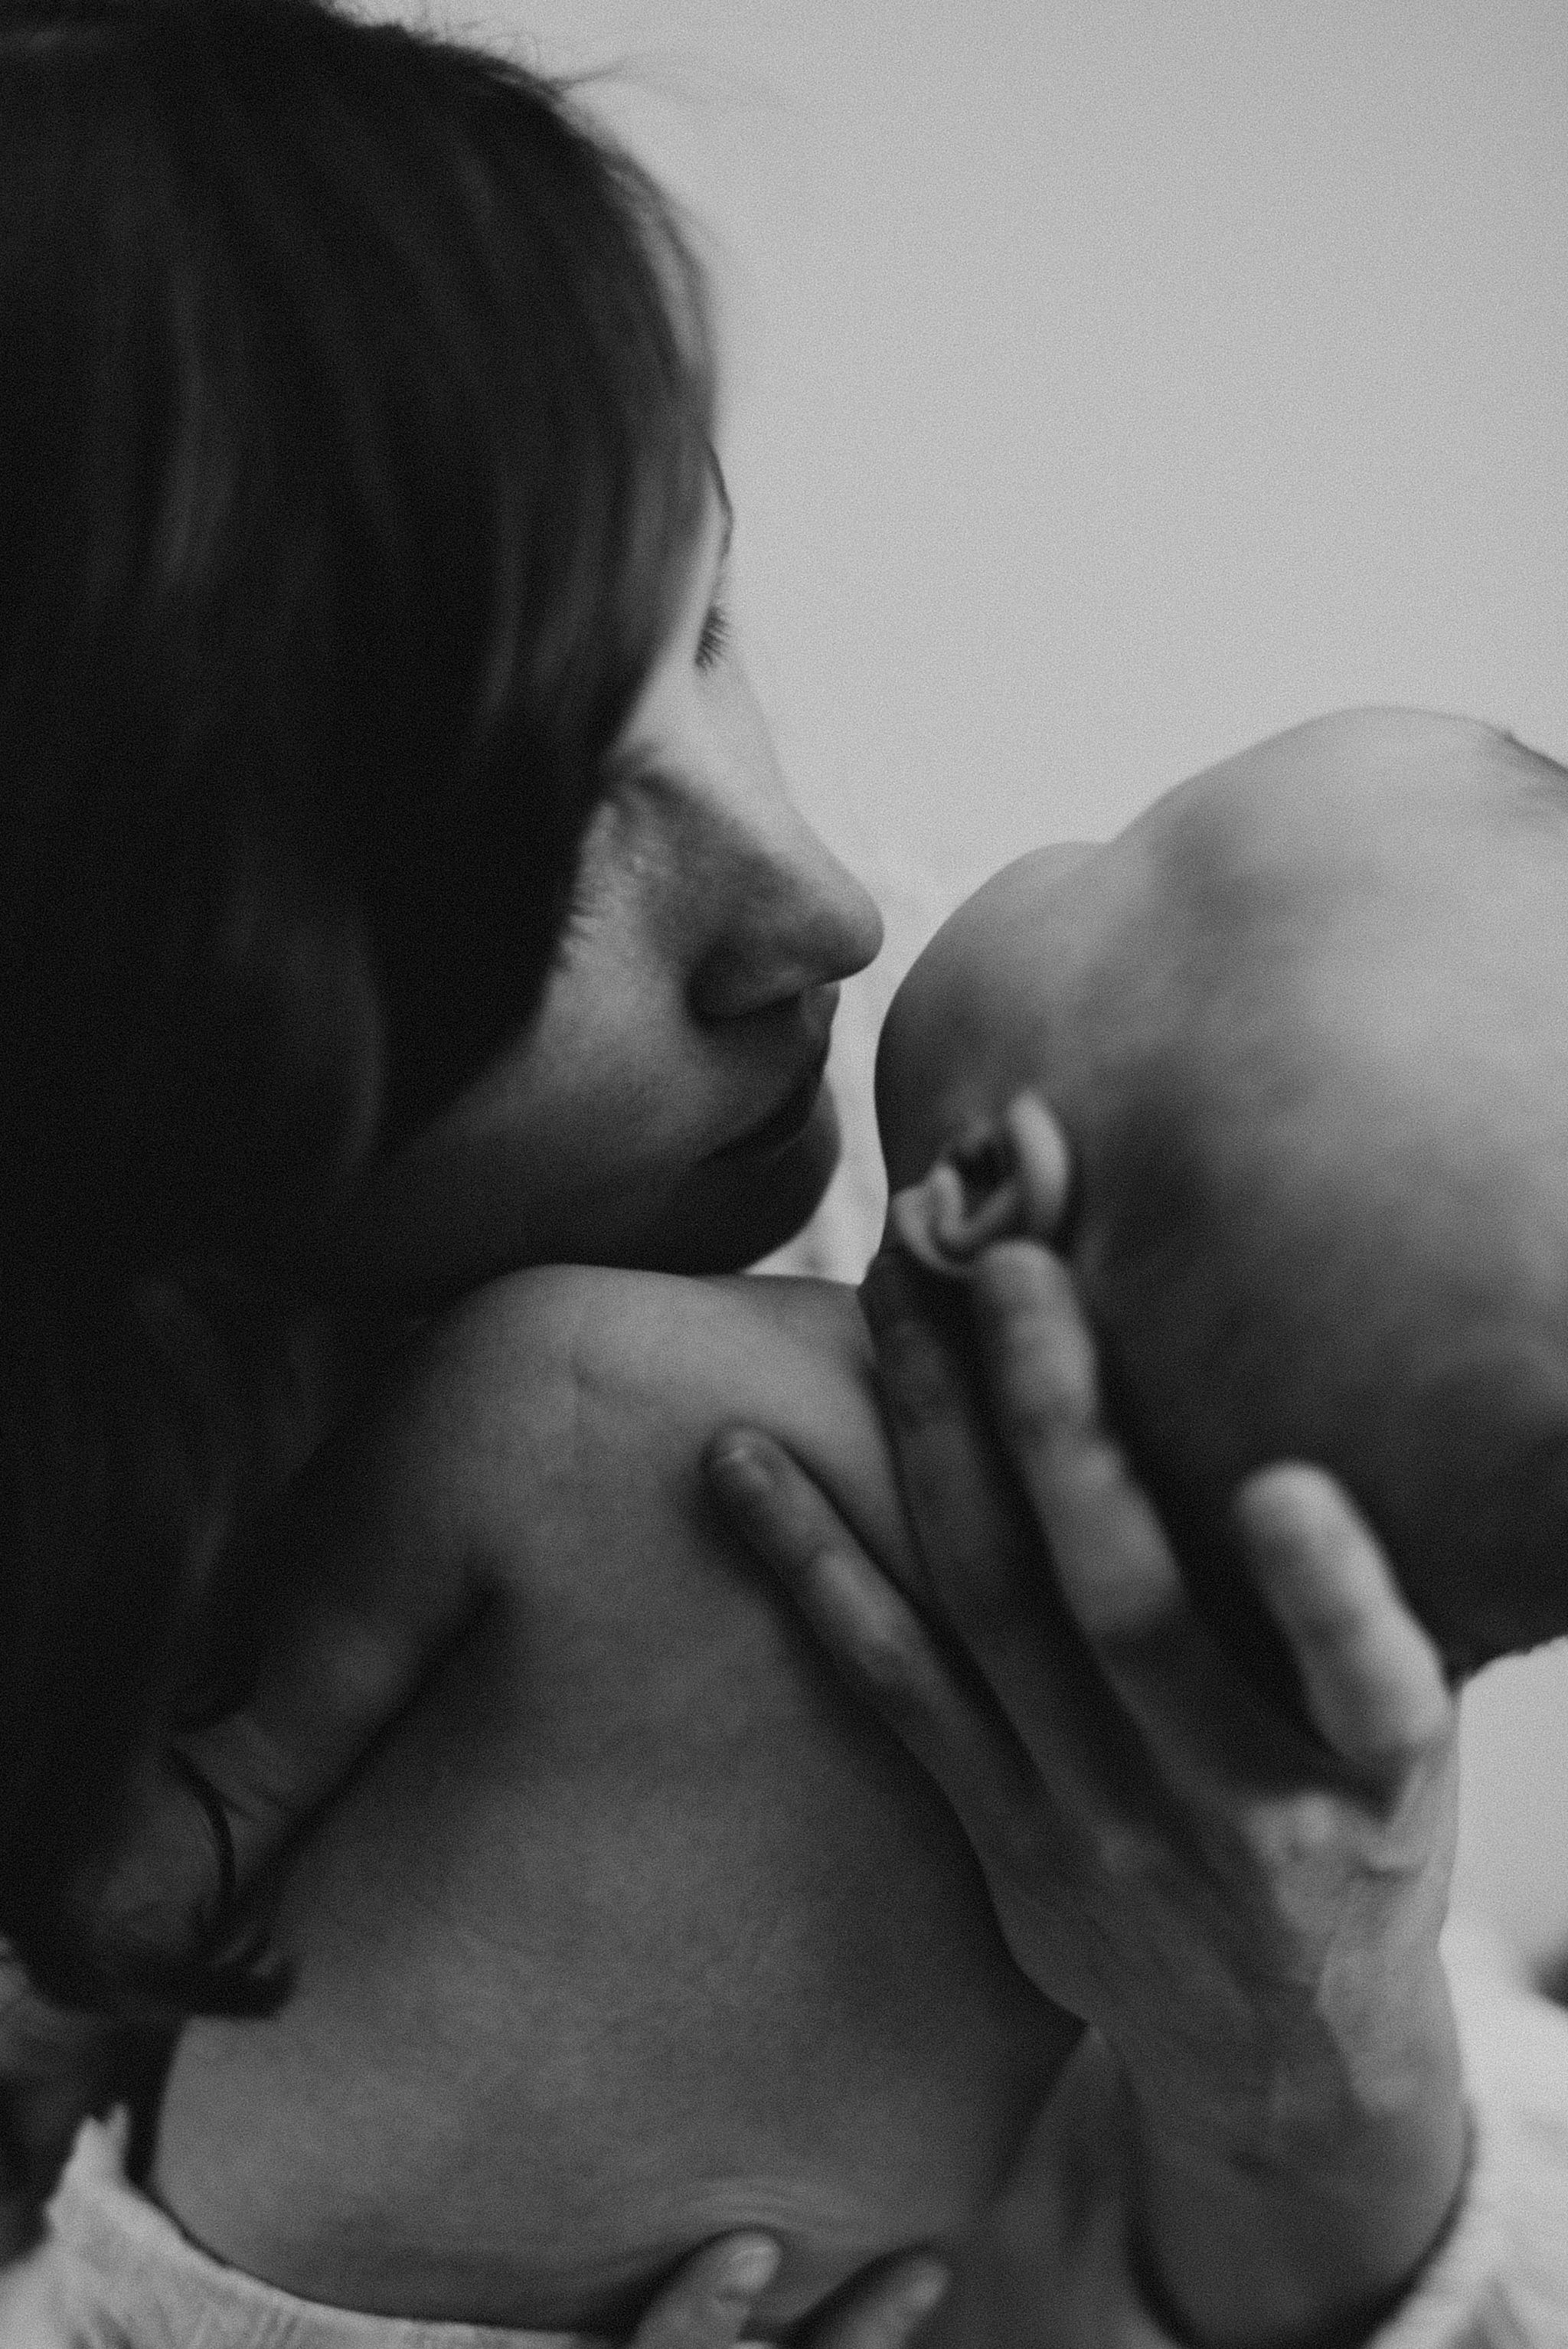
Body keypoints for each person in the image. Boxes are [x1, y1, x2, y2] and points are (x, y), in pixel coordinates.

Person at [26, 709, 1565, 2346]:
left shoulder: (577, 1392)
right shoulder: (1207, 1804)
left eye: (1117, 859)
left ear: (981, 1194)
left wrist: (44, 2034)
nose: (847, 905)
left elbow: (204, 1807)